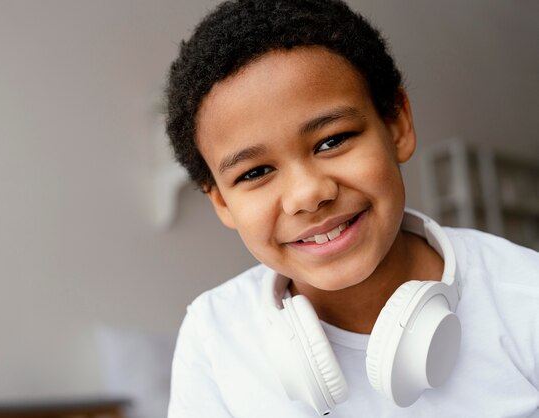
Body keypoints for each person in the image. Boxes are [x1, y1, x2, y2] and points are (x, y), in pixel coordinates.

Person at [164, 1, 539, 416]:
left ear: (397, 125)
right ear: (221, 201)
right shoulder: (214, 335)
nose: (307, 194)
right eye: (256, 173)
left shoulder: (525, 297)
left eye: (332, 141)